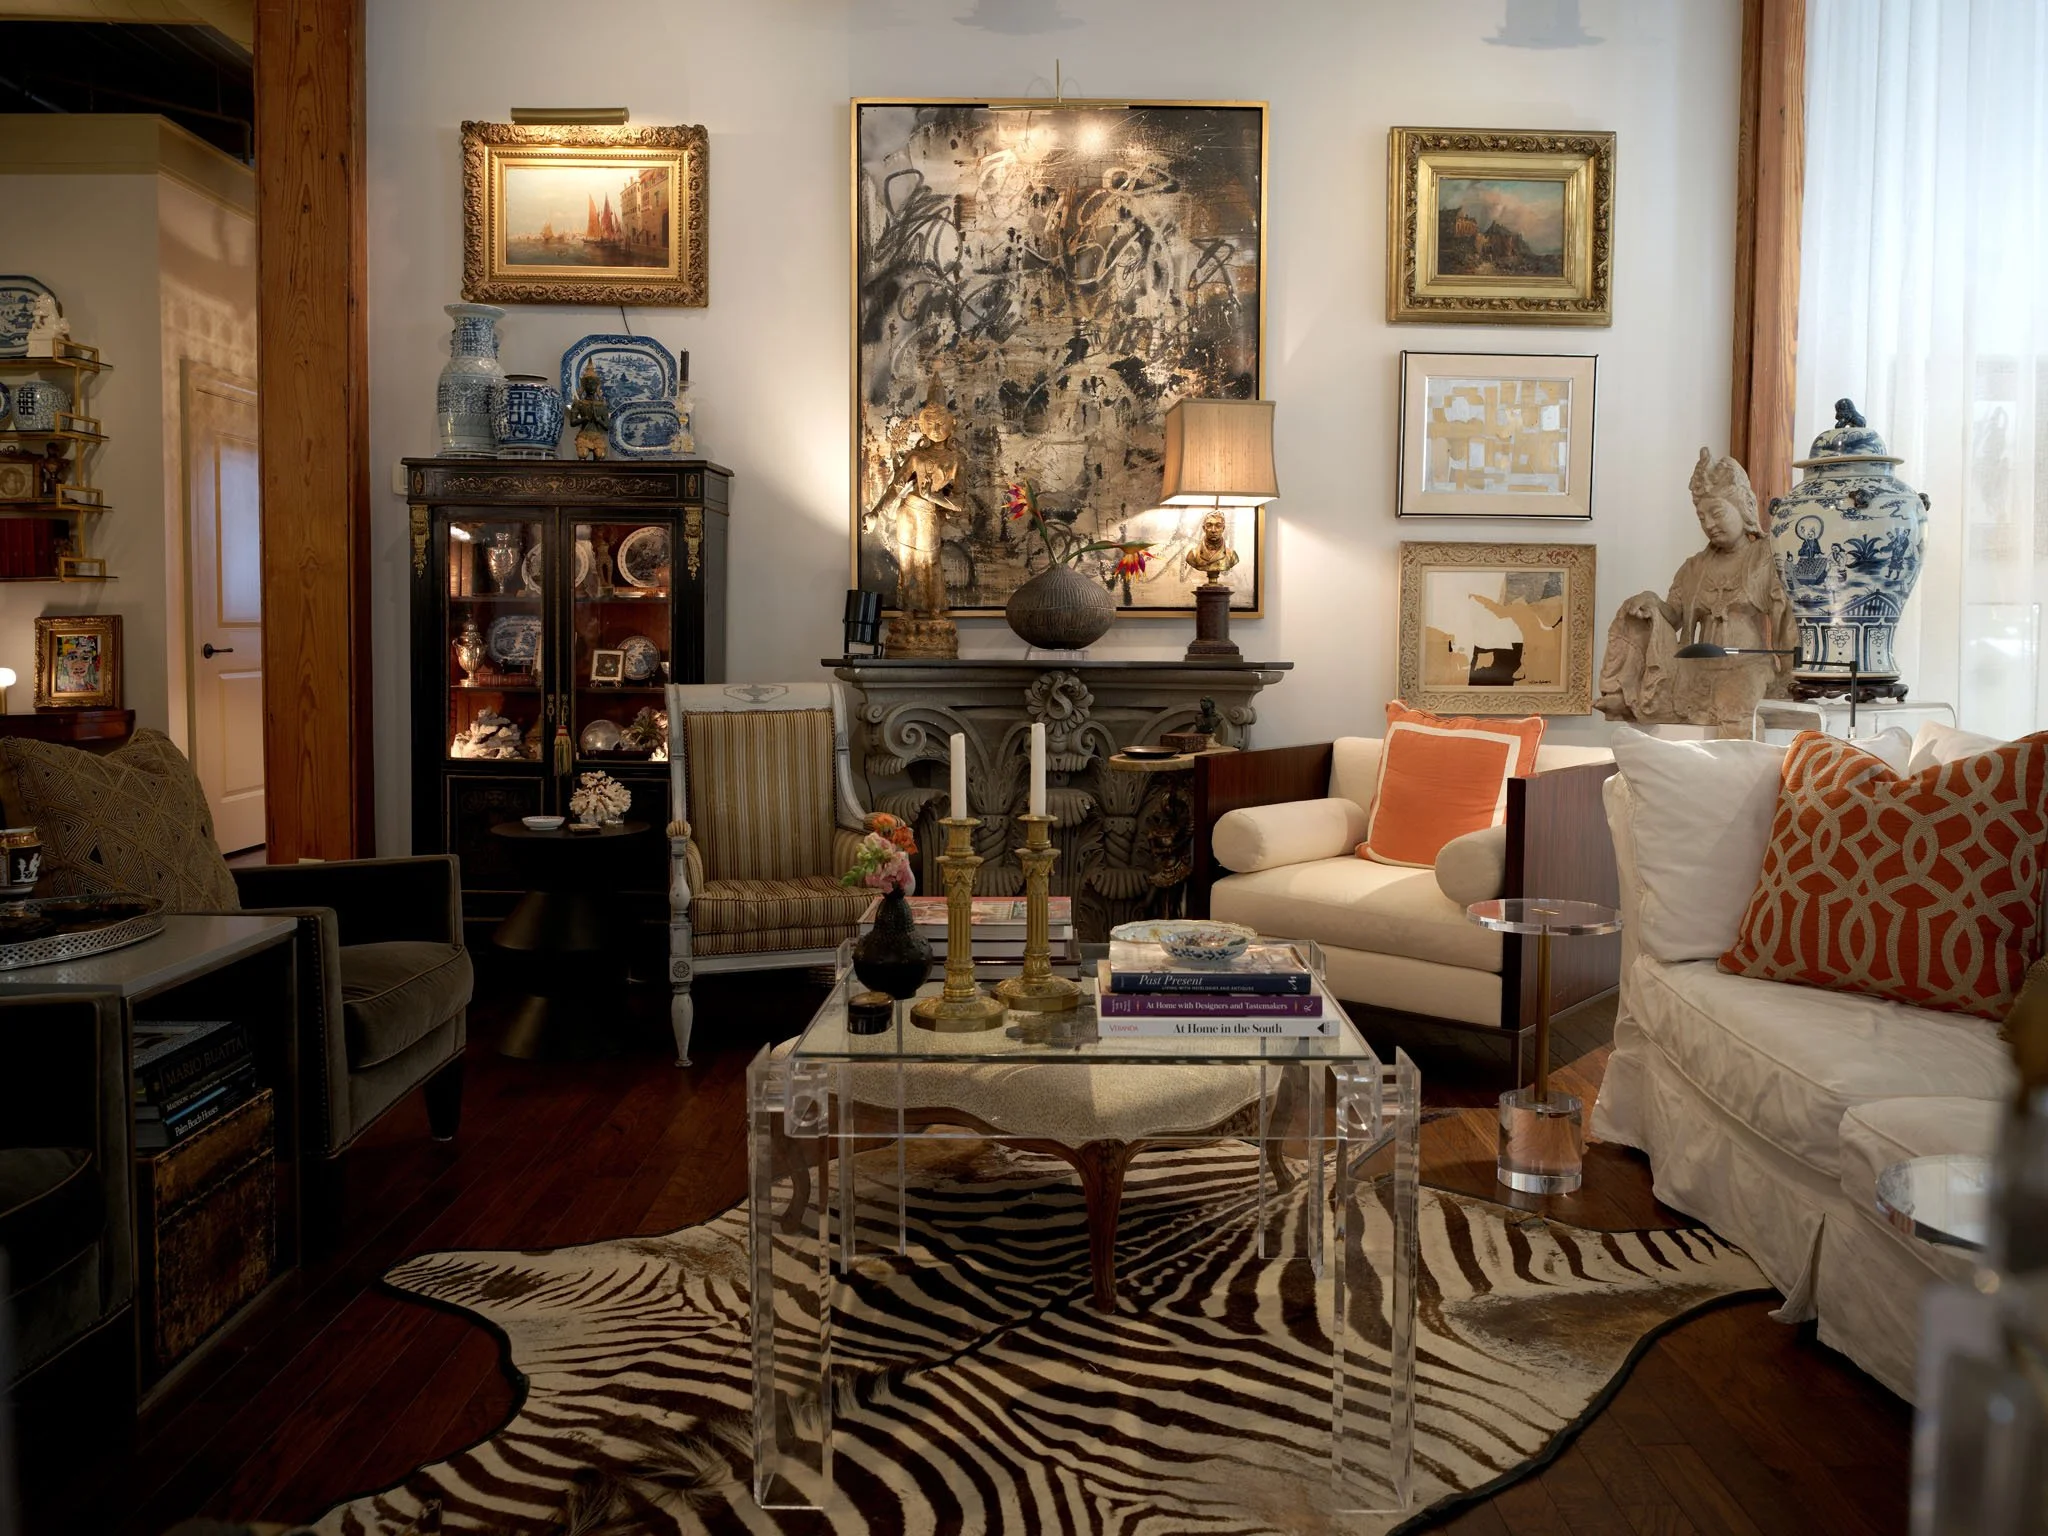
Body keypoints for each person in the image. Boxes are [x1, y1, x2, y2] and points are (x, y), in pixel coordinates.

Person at [1596, 448, 1796, 734]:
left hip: (1745, 666)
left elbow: (1785, 621)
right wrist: (1650, 603)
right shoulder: (1695, 567)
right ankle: (1621, 690)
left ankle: (1736, 775)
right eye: (1702, 518)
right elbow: (1673, 616)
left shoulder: (1764, 558)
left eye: (1716, 513)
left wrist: (1789, 673)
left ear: (1743, 507)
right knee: (1636, 608)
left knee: (1735, 713)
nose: (1709, 525)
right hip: (1695, 666)